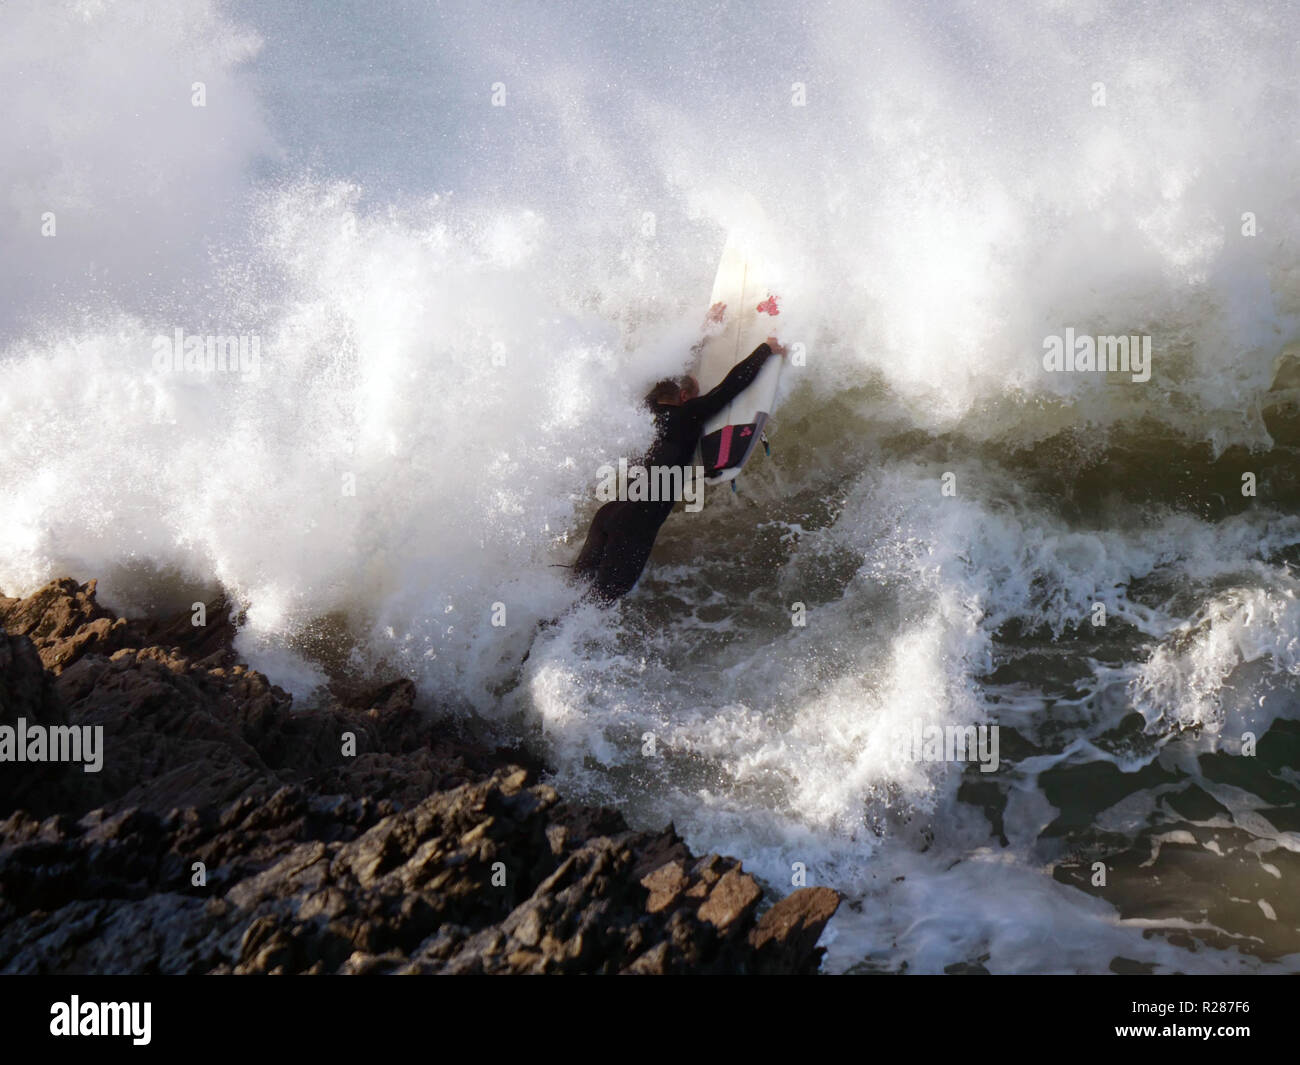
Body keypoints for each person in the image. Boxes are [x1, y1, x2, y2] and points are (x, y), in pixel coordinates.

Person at [572, 315, 787, 602]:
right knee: (603, 601)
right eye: (695, 395)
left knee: (573, 591)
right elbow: (731, 386)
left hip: (610, 514)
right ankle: (561, 644)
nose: (699, 399)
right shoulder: (687, 415)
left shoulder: (643, 412)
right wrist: (766, 349)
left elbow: (668, 381)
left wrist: (703, 334)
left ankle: (532, 638)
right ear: (685, 397)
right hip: (635, 526)